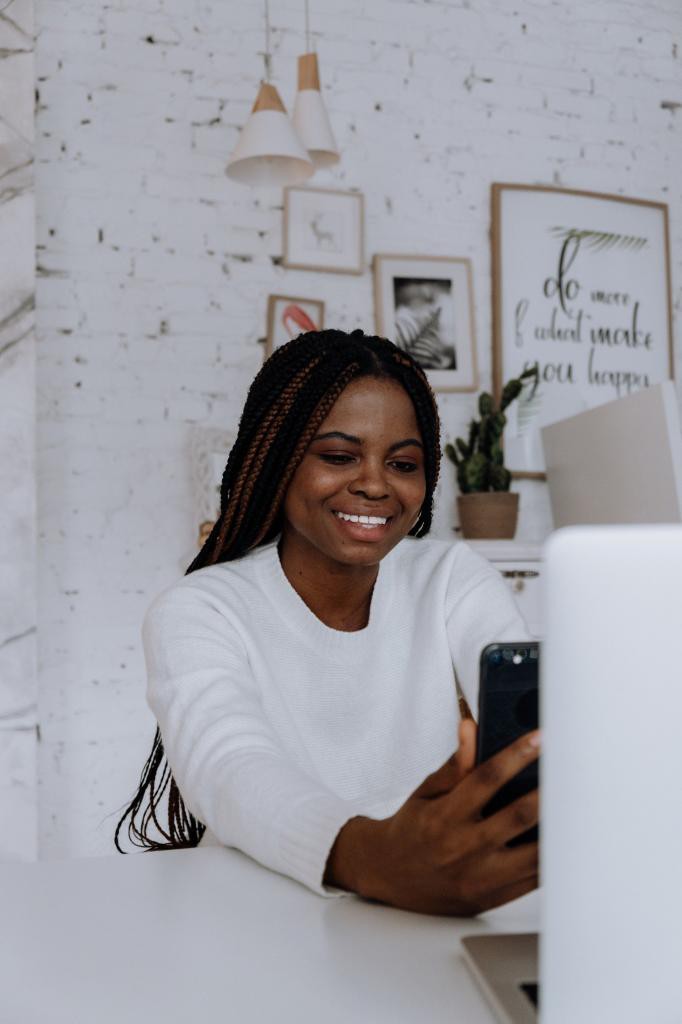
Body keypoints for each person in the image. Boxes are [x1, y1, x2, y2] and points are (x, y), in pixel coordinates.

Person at [115, 328, 539, 916]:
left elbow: (528, 720)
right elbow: (230, 767)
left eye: (403, 463)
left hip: (422, 914)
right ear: (281, 461)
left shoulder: (450, 578)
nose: (374, 484)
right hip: (253, 918)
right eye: (339, 456)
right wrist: (376, 858)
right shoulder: (201, 610)